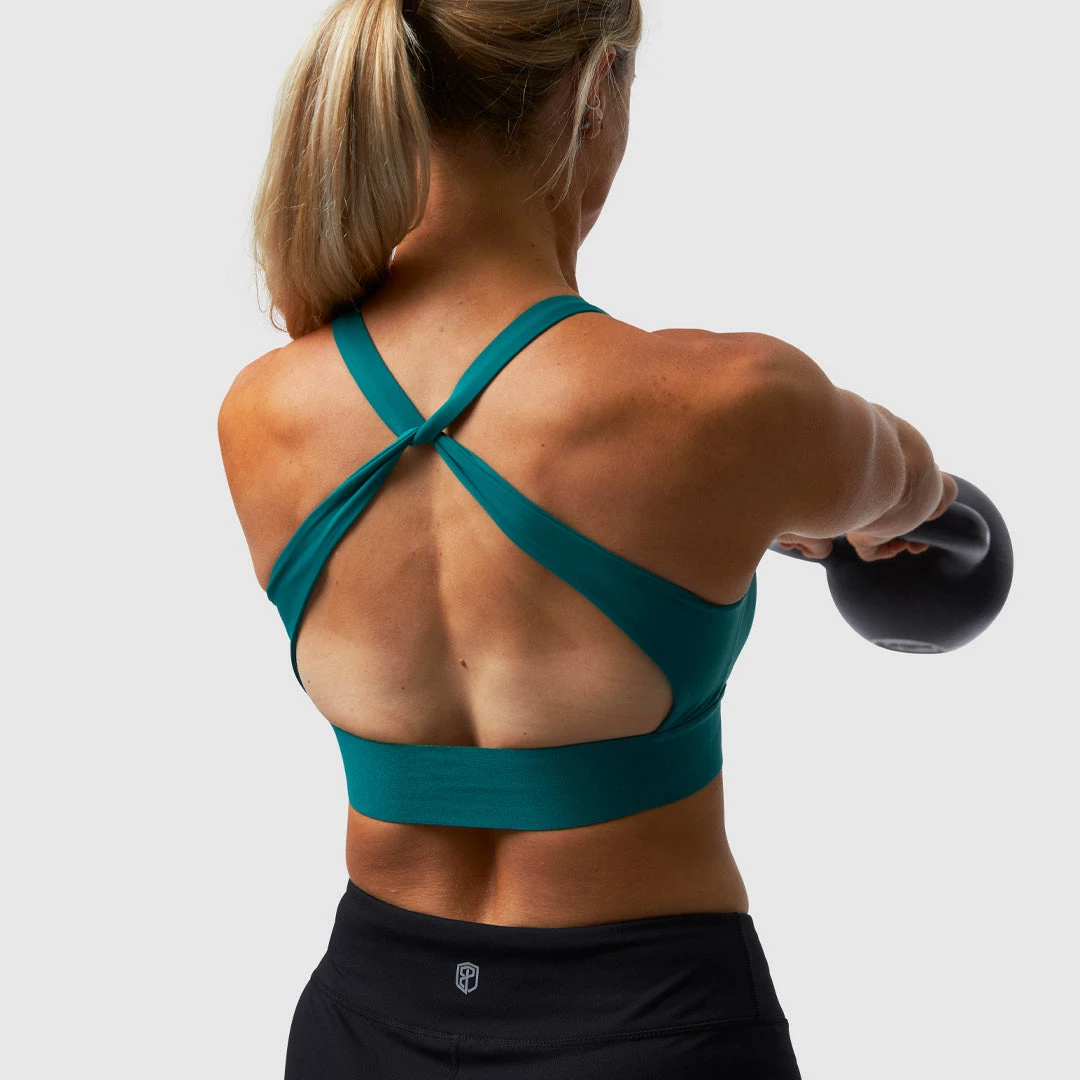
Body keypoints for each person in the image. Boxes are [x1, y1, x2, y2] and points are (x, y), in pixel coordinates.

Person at [218, 2, 958, 1076]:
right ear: (596, 90)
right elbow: (913, 492)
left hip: (362, 1028)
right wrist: (836, 520)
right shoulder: (729, 403)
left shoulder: (261, 416)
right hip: (651, 1027)